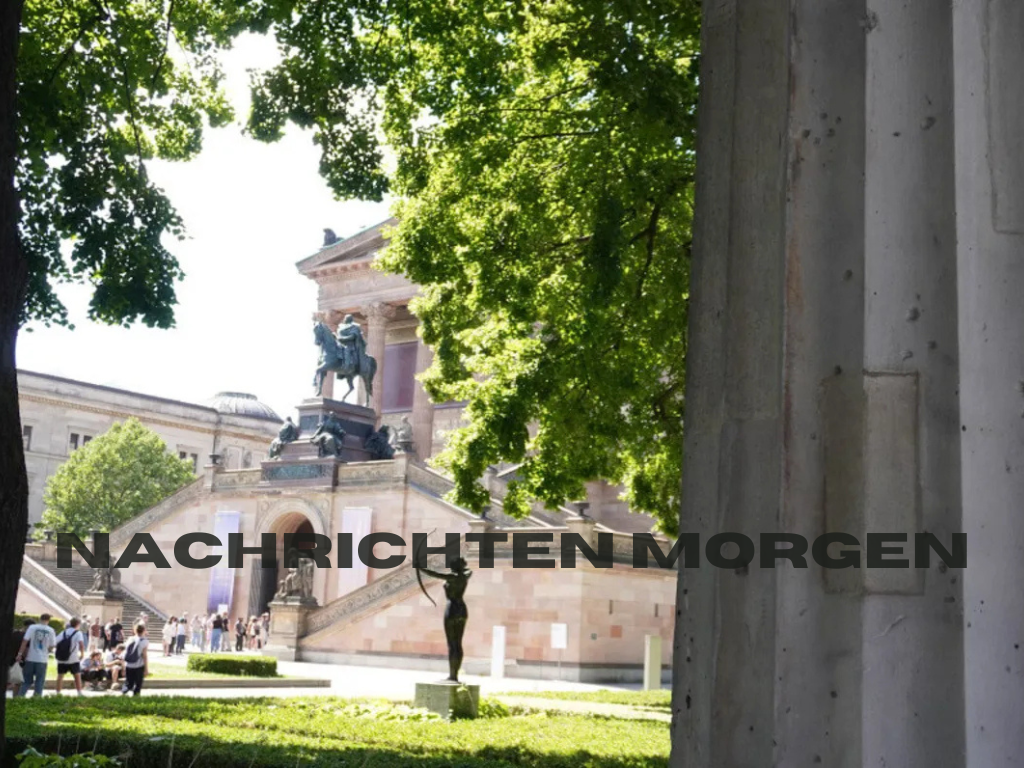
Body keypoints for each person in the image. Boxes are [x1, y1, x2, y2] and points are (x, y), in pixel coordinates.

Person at [16, 613, 56, 697]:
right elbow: (52, 645)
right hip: (42, 660)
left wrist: (19, 654)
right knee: (40, 682)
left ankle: (19, 698)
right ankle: (36, 700)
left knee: (26, 681)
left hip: (30, 658)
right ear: (48, 620)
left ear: (40, 619)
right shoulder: (51, 630)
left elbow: (25, 641)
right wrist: (47, 650)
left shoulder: (32, 627)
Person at [54, 617, 87, 696]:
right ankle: (79, 692)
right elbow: (81, 644)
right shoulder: (78, 633)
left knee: (60, 676)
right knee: (77, 675)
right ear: (78, 624)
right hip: (73, 658)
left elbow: (55, 641)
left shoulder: (64, 632)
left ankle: (58, 693)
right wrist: (82, 654)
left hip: (62, 658)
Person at [121, 623, 149, 696]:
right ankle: (136, 697)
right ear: (144, 631)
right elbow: (144, 656)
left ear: (135, 630)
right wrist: (146, 669)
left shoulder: (130, 639)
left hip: (129, 664)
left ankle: (123, 693)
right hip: (139, 665)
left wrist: (123, 666)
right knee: (138, 683)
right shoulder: (144, 641)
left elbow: (126, 652)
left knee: (128, 683)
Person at [7, 617, 32, 694]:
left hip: (9, 659)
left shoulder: (14, 633)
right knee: (17, 681)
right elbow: (26, 651)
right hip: (20, 660)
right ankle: (15, 698)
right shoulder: (27, 637)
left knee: (8, 679)